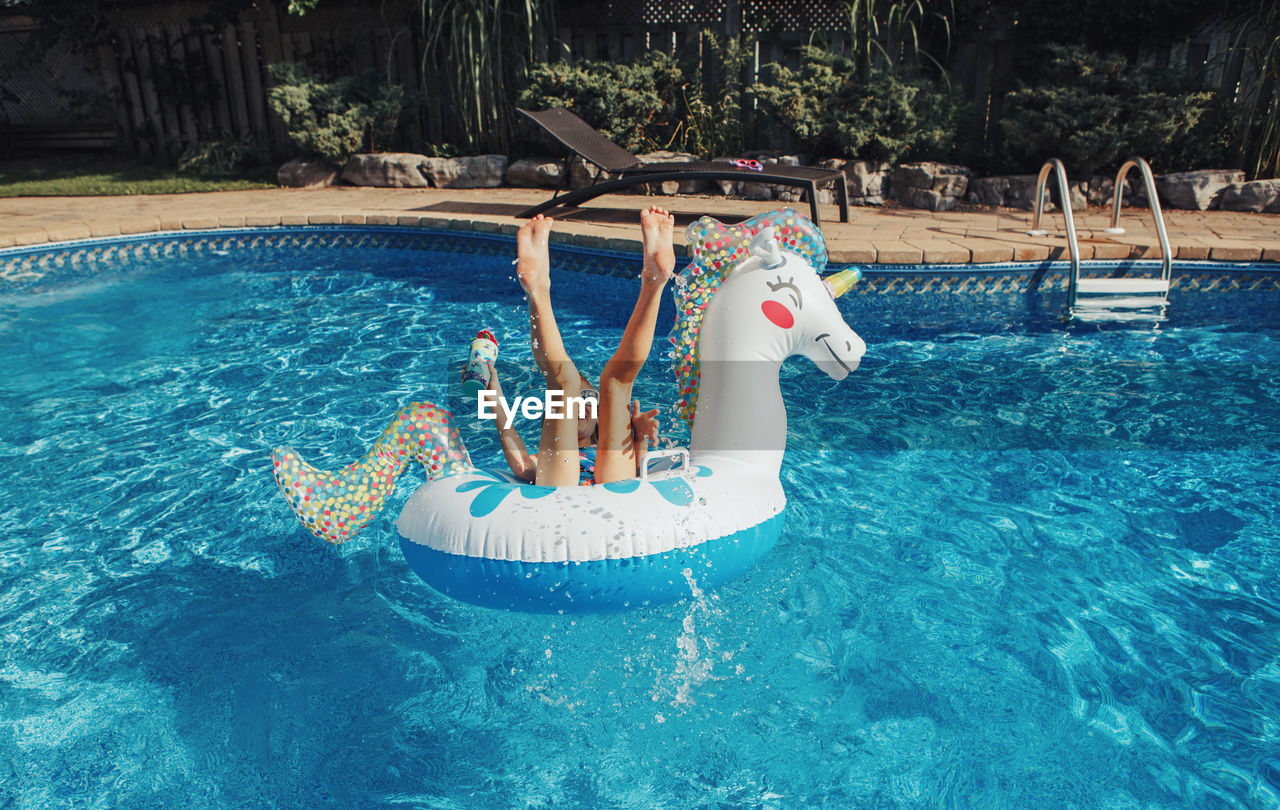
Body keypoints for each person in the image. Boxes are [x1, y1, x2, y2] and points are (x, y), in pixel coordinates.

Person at [484, 207, 676, 486]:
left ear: (600, 420)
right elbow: (524, 468)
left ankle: (654, 280)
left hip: (610, 484)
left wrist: (640, 438)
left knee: (613, 382)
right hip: (561, 486)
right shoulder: (544, 457)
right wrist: (496, 404)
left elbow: (637, 473)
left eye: (587, 399)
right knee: (580, 381)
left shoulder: (603, 450)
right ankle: (537, 287)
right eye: (576, 400)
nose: (581, 406)